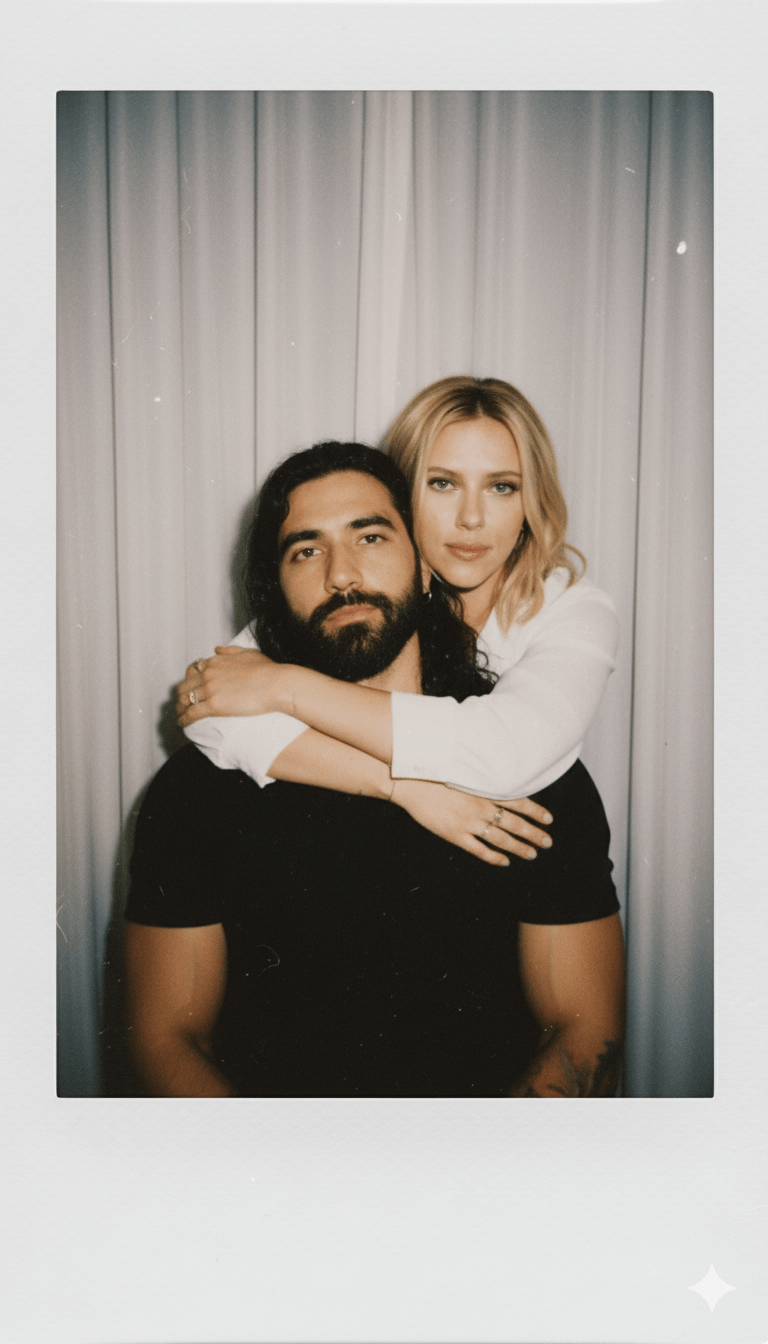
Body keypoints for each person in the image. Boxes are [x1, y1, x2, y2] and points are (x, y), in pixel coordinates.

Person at [125, 443, 624, 1097]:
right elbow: (165, 1040)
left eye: (370, 536)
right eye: (306, 550)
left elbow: (585, 1030)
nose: (342, 575)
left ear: (425, 566)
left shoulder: (533, 771)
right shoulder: (199, 790)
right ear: (274, 591)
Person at [177, 377, 619, 869]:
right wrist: (405, 789)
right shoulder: (374, 592)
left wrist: (284, 686)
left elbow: (504, 755)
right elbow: (212, 712)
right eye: (443, 483)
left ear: (531, 501)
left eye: (501, 486)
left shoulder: (575, 609)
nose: (471, 518)